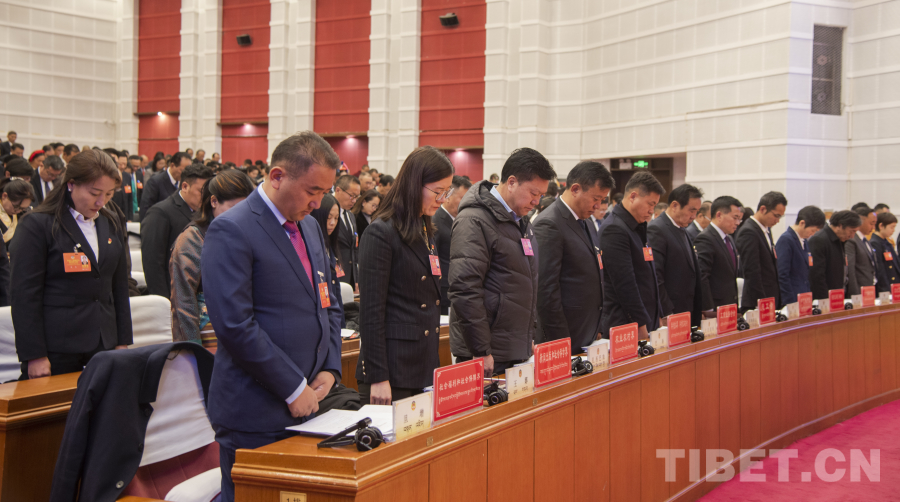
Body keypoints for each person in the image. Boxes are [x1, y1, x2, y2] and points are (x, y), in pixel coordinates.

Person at [201, 131, 342, 502]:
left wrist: (330, 368)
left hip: (311, 403)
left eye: (325, 192)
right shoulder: (233, 228)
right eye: (312, 190)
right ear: (278, 176)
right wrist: (293, 387)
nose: (318, 203)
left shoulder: (309, 226)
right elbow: (235, 325)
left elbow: (328, 302)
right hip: (256, 410)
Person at [11, 150, 133, 378]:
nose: (101, 202)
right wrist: (34, 354)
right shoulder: (38, 225)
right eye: (94, 193)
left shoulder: (110, 221)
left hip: (104, 342)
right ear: (71, 184)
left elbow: (119, 286)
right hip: (57, 347)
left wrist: (122, 341)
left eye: (108, 194)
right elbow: (25, 296)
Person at [356, 146, 453, 404]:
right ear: (414, 184)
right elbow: (371, 312)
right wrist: (378, 376)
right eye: (438, 191)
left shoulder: (425, 228)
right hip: (392, 369)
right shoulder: (381, 232)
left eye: (447, 192)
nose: (442, 199)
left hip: (423, 362)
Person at [449, 148, 556, 376]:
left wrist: (526, 338)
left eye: (541, 195)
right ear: (512, 182)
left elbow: (523, 284)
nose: (537, 201)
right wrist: (481, 349)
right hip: (486, 352)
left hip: (513, 347)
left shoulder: (520, 221)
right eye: (533, 193)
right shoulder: (474, 219)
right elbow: (465, 288)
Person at [534, 161, 613, 353]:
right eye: (595, 198)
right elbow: (546, 290)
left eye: (602, 200)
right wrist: (562, 341)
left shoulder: (586, 221)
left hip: (587, 333)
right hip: (564, 336)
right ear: (576, 189)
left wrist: (596, 328)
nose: (598, 206)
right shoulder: (550, 223)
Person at [170, 170, 254, 347]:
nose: (241, 215)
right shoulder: (192, 238)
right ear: (214, 201)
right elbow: (183, 299)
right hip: (208, 331)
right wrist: (192, 347)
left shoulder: (245, 232)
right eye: (234, 208)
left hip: (245, 328)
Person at [599, 171, 664, 339]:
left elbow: (649, 276)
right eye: (650, 204)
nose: (652, 211)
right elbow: (625, 283)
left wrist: (658, 314)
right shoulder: (615, 228)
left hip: (646, 319)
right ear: (633, 196)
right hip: (626, 323)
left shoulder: (637, 226)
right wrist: (639, 323)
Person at [141, 164, 214, 298]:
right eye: (201, 191)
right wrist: (163, 300)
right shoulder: (161, 212)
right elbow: (153, 263)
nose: (206, 197)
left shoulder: (205, 212)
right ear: (185, 186)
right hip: (173, 293)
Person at [648, 184, 704, 326]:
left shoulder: (682, 228)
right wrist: (667, 311)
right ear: (675, 205)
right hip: (671, 312)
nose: (694, 216)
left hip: (686, 309)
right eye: (691, 210)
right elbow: (655, 275)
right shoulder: (657, 229)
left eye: (696, 211)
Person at [736, 191, 787, 311]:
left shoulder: (765, 229)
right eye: (776, 215)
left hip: (770, 297)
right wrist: (762, 302)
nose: (778, 220)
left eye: (780, 217)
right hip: (758, 301)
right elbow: (752, 271)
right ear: (763, 209)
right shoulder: (749, 231)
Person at [695, 196, 744, 315]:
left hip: (729, 305)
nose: (737, 223)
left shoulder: (729, 238)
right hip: (714, 308)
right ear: (719, 215)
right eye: (735, 218)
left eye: (739, 219)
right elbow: (702, 276)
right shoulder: (706, 238)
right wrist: (708, 309)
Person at [433, 175, 472, 315]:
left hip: (460, 286)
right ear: (448, 197)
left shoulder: (463, 220)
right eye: (462, 198)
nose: (466, 203)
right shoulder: (435, 221)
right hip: (443, 288)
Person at [775, 205, 826, 305]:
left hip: (804, 297)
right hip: (792, 298)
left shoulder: (804, 240)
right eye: (812, 230)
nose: (813, 234)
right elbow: (782, 274)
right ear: (802, 223)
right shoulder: (786, 240)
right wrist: (790, 302)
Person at [809, 210, 860, 300]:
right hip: (825, 299)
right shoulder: (819, 240)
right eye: (852, 231)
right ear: (839, 226)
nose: (852, 236)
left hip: (838, 296)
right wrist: (825, 300)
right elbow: (817, 276)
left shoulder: (840, 240)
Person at [308, 194, 344, 307]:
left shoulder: (331, 245)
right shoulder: (311, 246)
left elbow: (336, 289)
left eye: (336, 218)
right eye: (329, 217)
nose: (333, 223)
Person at [139, 152, 190, 221]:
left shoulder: (184, 183)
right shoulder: (155, 181)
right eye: (182, 170)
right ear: (172, 165)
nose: (185, 174)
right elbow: (145, 209)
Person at [334, 175, 361, 291]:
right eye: (351, 196)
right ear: (338, 190)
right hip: (335, 275)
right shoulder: (327, 213)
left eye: (357, 197)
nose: (354, 201)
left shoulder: (350, 215)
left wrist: (356, 278)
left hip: (350, 278)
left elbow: (354, 248)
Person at [845, 206, 878, 296]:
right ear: (860, 221)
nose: (873, 228)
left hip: (869, 289)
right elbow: (850, 270)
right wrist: (855, 294)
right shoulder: (852, 240)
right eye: (871, 223)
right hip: (858, 291)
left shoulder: (865, 239)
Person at [0, 177, 35, 244]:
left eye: (23, 208)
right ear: (4, 196)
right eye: (16, 207)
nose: (18, 211)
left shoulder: (24, 214)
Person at [871, 212, 899, 292]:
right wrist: (886, 290)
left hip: (895, 286)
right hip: (886, 287)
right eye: (892, 227)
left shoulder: (886, 242)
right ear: (881, 226)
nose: (893, 230)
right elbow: (880, 270)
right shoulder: (875, 243)